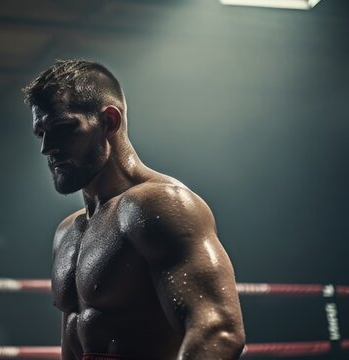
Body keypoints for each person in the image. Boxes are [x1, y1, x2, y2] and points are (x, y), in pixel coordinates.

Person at [23, 60, 245, 360]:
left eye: (63, 128)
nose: (47, 147)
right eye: (41, 133)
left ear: (109, 122)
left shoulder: (160, 204)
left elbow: (218, 330)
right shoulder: (67, 231)